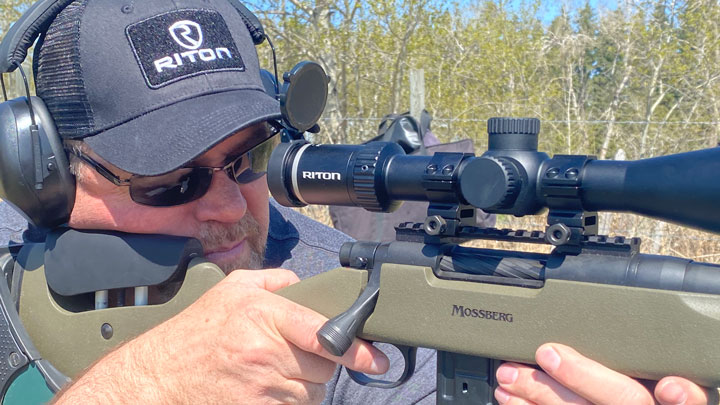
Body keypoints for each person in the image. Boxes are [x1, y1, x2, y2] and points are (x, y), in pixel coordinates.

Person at [0, 0, 713, 404]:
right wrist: (144, 387)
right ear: (44, 173)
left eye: (247, 158)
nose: (226, 207)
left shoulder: (337, 284)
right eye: (169, 182)